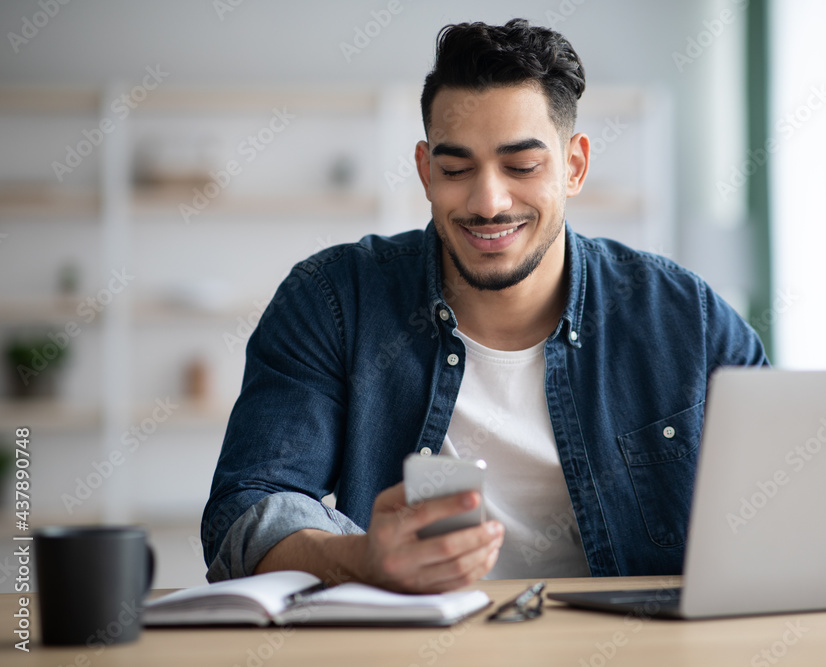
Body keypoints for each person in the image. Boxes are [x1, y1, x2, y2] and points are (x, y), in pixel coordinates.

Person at [202, 18, 767, 593]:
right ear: (425, 170)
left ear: (574, 166)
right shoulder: (332, 299)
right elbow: (245, 510)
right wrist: (362, 558)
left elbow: (779, 502)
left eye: (522, 167)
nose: (488, 202)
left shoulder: (684, 318)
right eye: (455, 169)